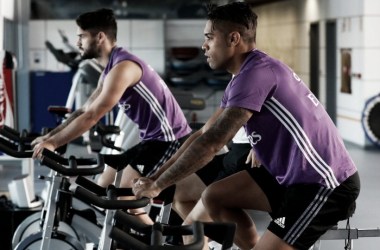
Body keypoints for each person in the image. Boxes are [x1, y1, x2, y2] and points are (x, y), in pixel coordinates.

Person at [133, 2, 360, 250]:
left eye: (209, 37)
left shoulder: (255, 74)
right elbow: (204, 134)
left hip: (323, 184)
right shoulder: (242, 77)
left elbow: (212, 144)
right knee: (214, 196)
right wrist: (154, 177)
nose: (203, 46)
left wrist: (158, 185)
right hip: (287, 177)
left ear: (233, 38)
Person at [31, 8, 192, 225]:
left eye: (82, 36)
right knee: (103, 187)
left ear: (100, 37)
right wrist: (50, 137)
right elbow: (84, 110)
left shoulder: (123, 67)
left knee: (121, 198)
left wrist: (53, 143)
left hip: (168, 141)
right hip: (151, 141)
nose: (77, 42)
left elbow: (93, 117)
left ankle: (151, 241)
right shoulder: (110, 69)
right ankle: (133, 237)